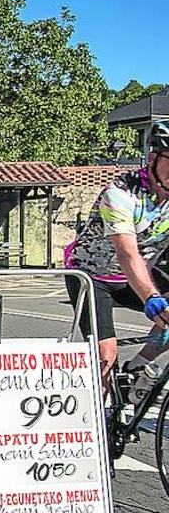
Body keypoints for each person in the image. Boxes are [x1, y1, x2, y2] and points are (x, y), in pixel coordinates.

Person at [66, 121, 169, 400]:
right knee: (105, 357)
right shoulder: (120, 194)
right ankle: (103, 418)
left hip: (135, 275)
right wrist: (151, 297)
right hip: (92, 278)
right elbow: (127, 253)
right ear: (152, 159)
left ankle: (137, 368)